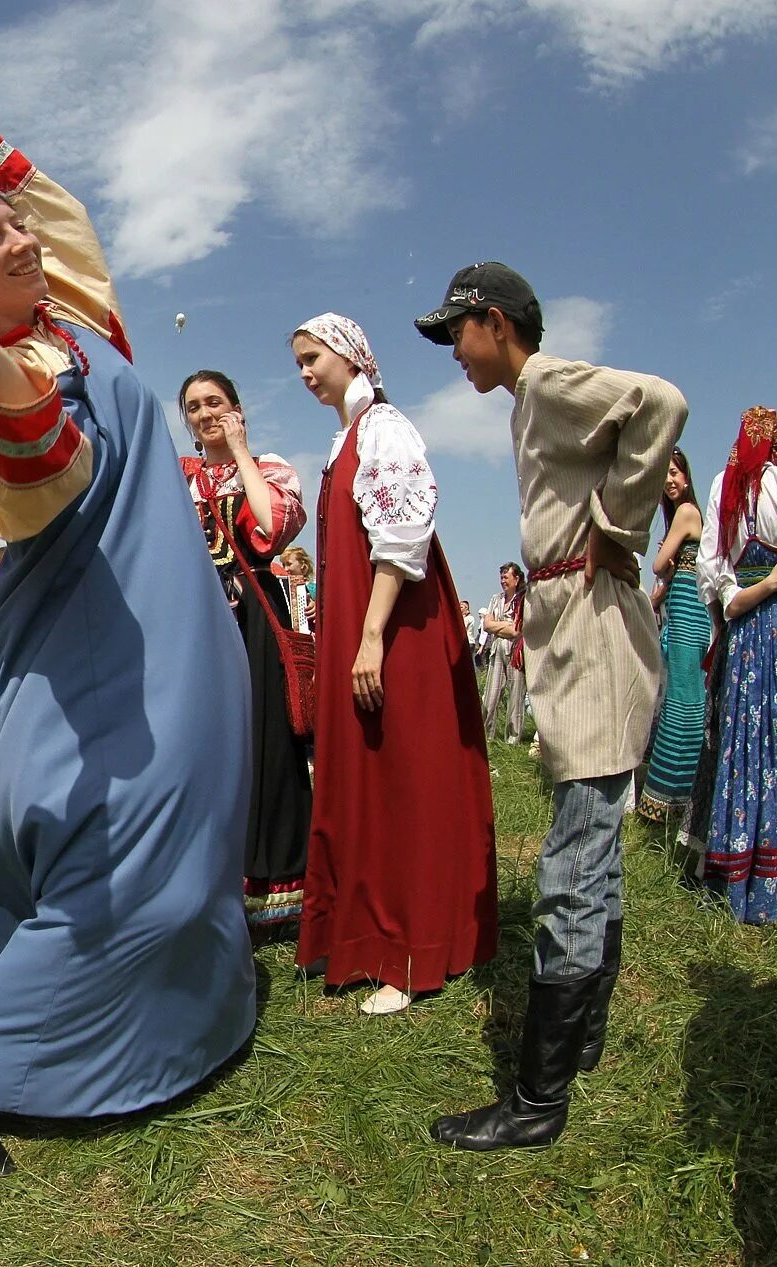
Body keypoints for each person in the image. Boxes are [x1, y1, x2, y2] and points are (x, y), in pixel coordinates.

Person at [0, 50, 258, 1179]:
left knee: (191, 824)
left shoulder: (87, 325)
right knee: (116, 850)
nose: (21, 239)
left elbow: (34, 185)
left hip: (173, 622)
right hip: (79, 643)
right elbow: (41, 473)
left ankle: (173, 1022)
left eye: (20, 228)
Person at [415, 261, 686, 1150]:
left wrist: (618, 524)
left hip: (593, 635)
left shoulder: (549, 378)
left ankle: (538, 1098)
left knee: (572, 859)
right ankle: (586, 1037)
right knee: (594, 844)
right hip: (572, 630)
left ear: (495, 322)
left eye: (458, 331)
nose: (455, 351)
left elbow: (662, 404)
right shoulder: (528, 402)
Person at [291, 313, 497, 1016]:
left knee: (405, 778)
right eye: (299, 363)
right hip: (364, 626)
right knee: (369, 779)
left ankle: (410, 950)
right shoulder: (343, 438)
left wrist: (372, 634)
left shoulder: (385, 430)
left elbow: (402, 535)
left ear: (351, 356)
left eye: (313, 357)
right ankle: (362, 934)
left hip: (398, 630)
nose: (306, 372)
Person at [180, 370, 313, 940]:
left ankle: (276, 889)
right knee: (196, 743)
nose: (205, 413)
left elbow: (274, 526)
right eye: (193, 407)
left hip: (256, 614)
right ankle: (204, 881)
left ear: (237, 409)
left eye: (215, 403)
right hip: (193, 618)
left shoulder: (272, 468)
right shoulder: (176, 480)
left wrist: (239, 450)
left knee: (264, 741)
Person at [697, 407, 777, 924]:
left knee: (743, 737)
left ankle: (734, 869)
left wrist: (731, 607)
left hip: (742, 632)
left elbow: (713, 571)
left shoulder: (724, 484)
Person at [636, 448, 710, 824]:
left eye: (675, 473)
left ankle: (667, 799)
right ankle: (676, 797)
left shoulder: (686, 512)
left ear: (687, 475)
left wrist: (660, 582)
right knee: (686, 700)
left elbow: (659, 563)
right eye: (664, 476)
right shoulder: (693, 515)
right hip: (687, 608)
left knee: (681, 704)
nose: (670, 481)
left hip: (686, 611)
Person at [478, 563, 528, 742]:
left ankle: (512, 740)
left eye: (506, 577)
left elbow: (517, 630)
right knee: (490, 695)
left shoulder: (524, 598)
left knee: (516, 696)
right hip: (497, 649)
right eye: (501, 578)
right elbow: (487, 625)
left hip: (515, 651)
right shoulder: (495, 599)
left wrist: (497, 626)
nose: (503, 581)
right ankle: (486, 737)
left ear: (517, 578)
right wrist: (504, 626)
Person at [281, 546, 316, 635]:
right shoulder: (281, 585)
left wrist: (316, 608)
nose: (285, 569)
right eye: (283, 565)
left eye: (289, 564)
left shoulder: (313, 588)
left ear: (302, 565)